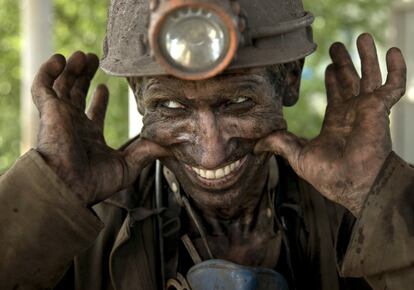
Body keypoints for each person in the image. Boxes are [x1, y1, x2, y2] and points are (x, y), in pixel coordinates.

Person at [0, 0, 413, 289]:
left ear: (289, 79)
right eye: (172, 106)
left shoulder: (346, 207)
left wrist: (374, 195)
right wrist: (52, 195)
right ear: (137, 94)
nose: (211, 150)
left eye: (237, 102)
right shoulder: (81, 224)